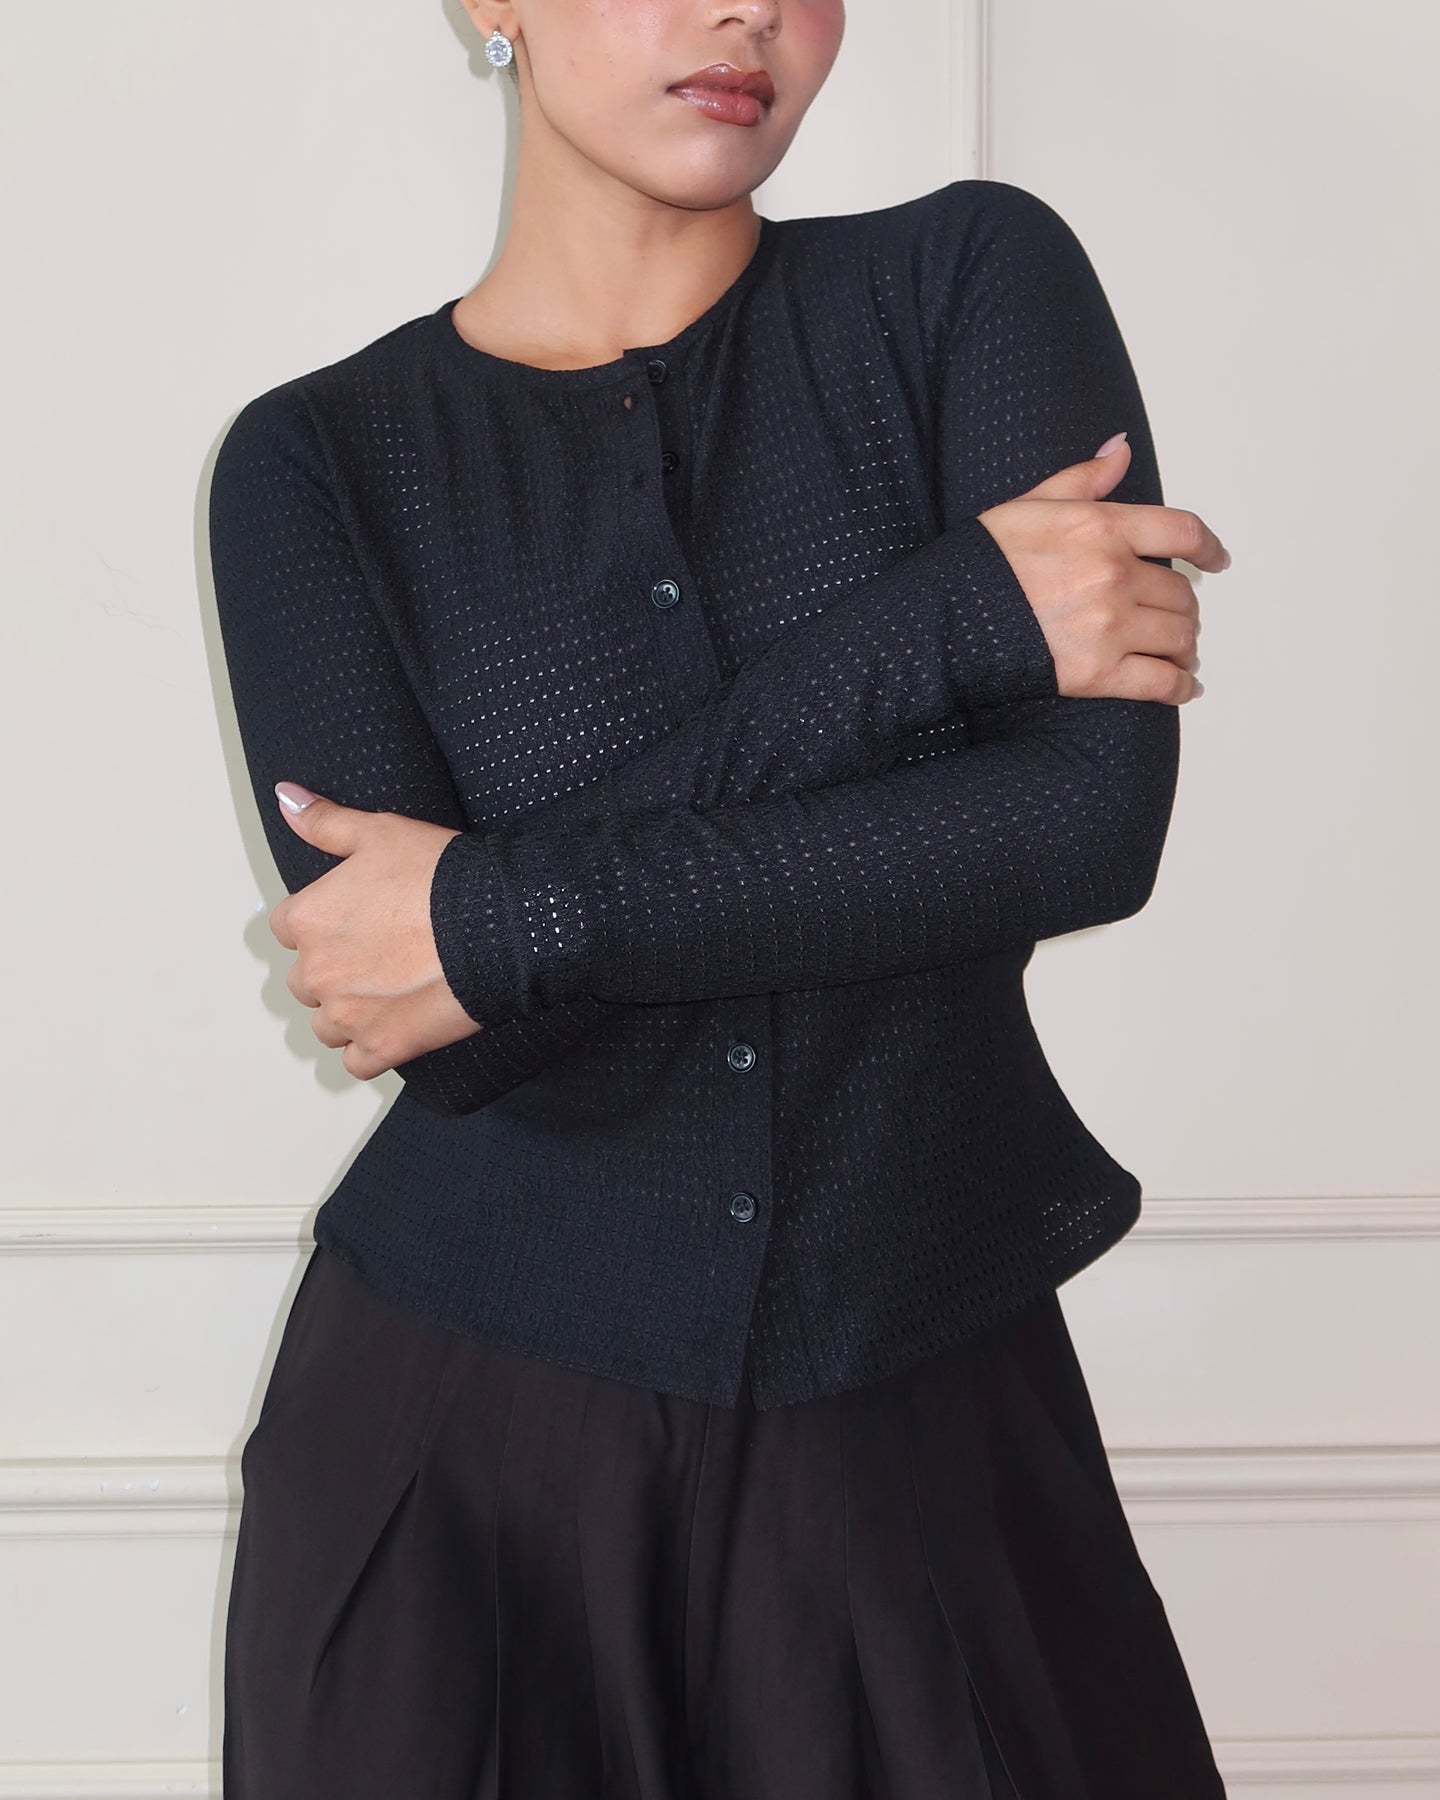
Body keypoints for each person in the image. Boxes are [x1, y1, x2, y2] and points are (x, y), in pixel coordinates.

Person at [208, 0, 1234, 1794]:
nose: (746, 8)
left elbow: (1082, 827)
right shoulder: (317, 465)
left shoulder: (964, 286)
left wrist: (503, 919)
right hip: (460, 1479)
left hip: (928, 1437)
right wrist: (944, 626)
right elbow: (443, 1031)